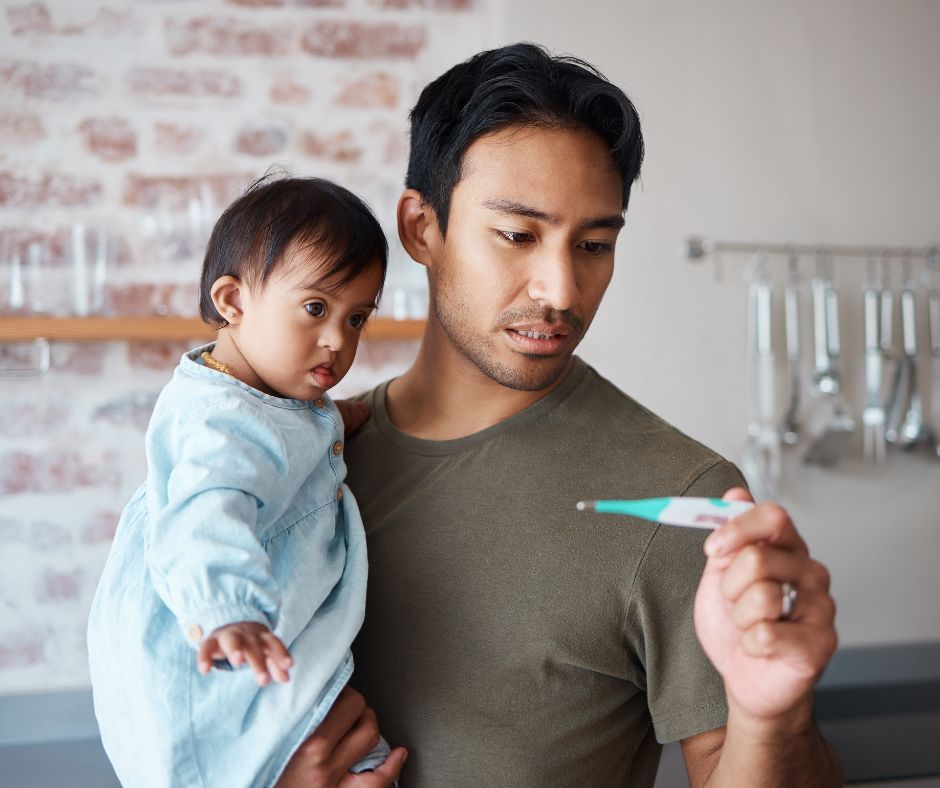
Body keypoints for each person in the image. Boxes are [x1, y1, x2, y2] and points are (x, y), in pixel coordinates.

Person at [276, 43, 841, 787]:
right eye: (517, 235)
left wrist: (776, 717)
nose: (563, 289)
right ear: (421, 228)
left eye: (595, 244)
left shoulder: (684, 498)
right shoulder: (300, 459)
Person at [87, 176, 406, 787]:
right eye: (316, 308)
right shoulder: (221, 424)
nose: (338, 340)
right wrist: (229, 610)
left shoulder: (260, 398)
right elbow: (205, 514)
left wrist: (346, 417)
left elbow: (291, 434)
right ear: (232, 302)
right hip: (219, 644)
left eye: (357, 317)